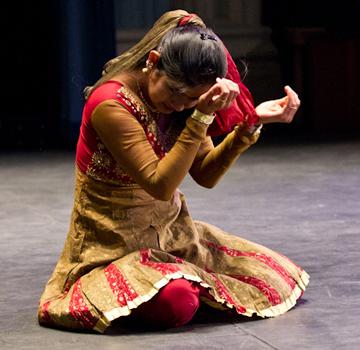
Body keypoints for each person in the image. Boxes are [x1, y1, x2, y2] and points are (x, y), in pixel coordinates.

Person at [38, 9, 308, 333]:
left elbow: (205, 175)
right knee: (179, 301)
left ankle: (170, 283)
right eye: (174, 91)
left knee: (270, 275)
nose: (180, 104)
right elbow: (160, 185)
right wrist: (199, 118)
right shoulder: (110, 103)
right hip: (108, 245)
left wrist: (248, 127)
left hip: (171, 234)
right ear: (153, 61)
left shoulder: (189, 106)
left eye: (192, 99)